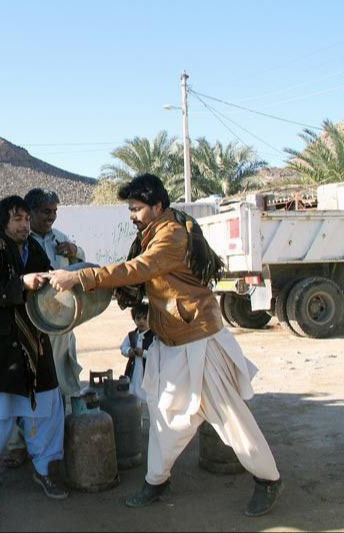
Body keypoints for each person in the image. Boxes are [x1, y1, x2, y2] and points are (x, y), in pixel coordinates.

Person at [48, 174, 282, 517]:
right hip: (172, 341)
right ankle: (157, 480)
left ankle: (268, 479)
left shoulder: (171, 235)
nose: (132, 214)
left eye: (137, 208)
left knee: (229, 416)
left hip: (200, 340)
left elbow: (138, 269)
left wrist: (80, 276)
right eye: (130, 208)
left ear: (158, 206)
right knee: (163, 416)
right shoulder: (151, 233)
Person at [0, 195, 69, 507]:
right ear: (3, 223)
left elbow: (48, 282)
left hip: (34, 345)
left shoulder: (33, 248)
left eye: (26, 219)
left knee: (47, 407)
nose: (24, 225)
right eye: (17, 220)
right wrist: (20, 283)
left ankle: (45, 470)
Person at [1, 188, 84, 469]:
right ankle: (16, 446)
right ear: (30, 214)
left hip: (59, 325)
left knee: (58, 384)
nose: (51, 217)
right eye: (45, 212)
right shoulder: (18, 241)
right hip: (28, 325)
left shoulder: (61, 239)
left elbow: (80, 264)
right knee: (22, 386)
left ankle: (53, 443)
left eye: (54, 212)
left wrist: (74, 252)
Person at [120, 302, 153, 403]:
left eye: (145, 319)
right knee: (133, 390)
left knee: (146, 394)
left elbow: (157, 355)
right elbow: (123, 347)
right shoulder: (132, 335)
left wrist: (143, 353)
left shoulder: (154, 337)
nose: (141, 322)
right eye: (138, 318)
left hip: (147, 372)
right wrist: (129, 351)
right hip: (133, 371)